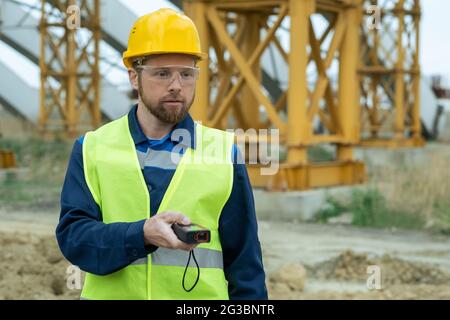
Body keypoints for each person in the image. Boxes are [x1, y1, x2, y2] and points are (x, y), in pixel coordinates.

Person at [56, 8, 267, 300]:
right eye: (162, 73)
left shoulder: (224, 153)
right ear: (134, 77)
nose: (176, 86)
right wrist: (141, 234)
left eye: (186, 74)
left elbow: (245, 264)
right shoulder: (93, 148)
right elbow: (74, 239)